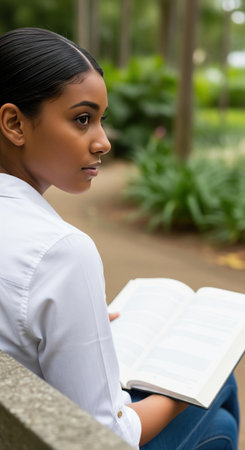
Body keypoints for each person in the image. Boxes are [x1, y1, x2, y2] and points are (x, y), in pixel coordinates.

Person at [0, 27, 239, 450]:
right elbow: (105, 437)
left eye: (100, 120)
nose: (104, 142)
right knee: (217, 396)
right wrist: (180, 388)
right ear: (14, 123)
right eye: (82, 119)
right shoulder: (60, 252)